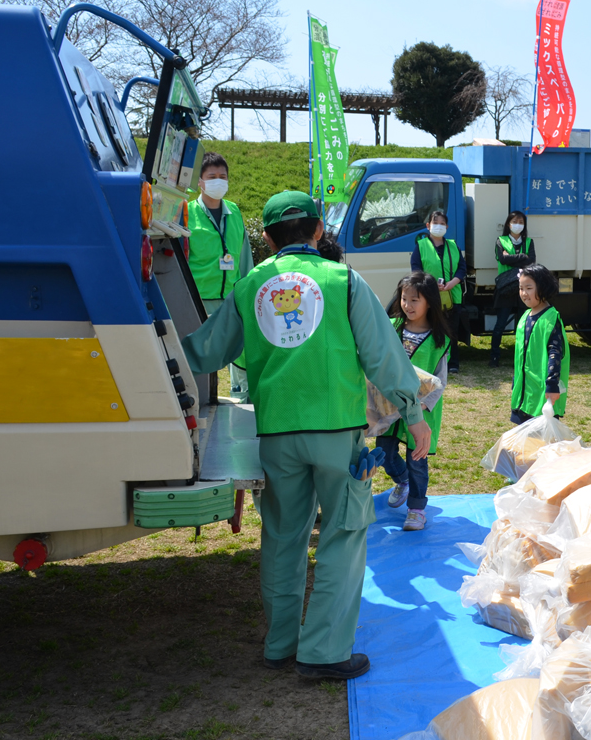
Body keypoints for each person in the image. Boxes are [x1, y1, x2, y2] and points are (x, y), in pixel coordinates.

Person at [180, 191, 429, 680]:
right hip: (337, 432)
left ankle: (280, 646)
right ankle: (324, 653)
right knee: (342, 532)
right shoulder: (345, 281)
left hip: (275, 432)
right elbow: (383, 356)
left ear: (268, 238)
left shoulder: (252, 283)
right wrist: (412, 411)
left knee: (281, 536)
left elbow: (204, 353)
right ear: (319, 231)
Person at [378, 271, 451, 533]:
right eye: (404, 299)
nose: (408, 305)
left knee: (417, 460)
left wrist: (420, 406)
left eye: (415, 300)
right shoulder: (391, 327)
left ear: (430, 302)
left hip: (421, 413)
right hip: (389, 408)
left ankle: (417, 509)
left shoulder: (440, 339)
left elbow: (440, 381)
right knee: (383, 452)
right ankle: (402, 480)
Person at [184, 151, 254, 401]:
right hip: (197, 301)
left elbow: (244, 257)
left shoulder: (234, 212)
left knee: (241, 354)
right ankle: (199, 400)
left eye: (222, 176)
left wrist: (248, 292)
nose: (218, 181)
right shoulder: (186, 213)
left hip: (232, 298)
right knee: (201, 357)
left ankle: (244, 398)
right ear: (200, 182)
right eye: (211, 176)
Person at [511, 264, 569, 424]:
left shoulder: (550, 318)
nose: (523, 293)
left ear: (543, 288)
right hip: (524, 393)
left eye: (528, 288)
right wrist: (516, 381)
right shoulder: (524, 317)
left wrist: (552, 385)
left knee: (540, 443)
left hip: (542, 394)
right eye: (521, 288)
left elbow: (555, 353)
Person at [411, 211, 466, 373]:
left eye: (442, 224)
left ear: (447, 227)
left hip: (452, 296)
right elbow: (416, 270)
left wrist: (452, 283)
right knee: (431, 330)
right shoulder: (421, 246)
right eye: (435, 223)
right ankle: (433, 362)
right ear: (428, 226)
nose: (439, 226)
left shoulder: (453, 245)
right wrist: (431, 284)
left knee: (452, 331)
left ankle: (453, 363)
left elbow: (462, 268)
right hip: (429, 296)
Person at [490, 211, 537, 368]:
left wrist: (512, 258)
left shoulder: (529, 242)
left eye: (521, 222)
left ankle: (523, 358)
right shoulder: (500, 240)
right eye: (515, 221)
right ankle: (494, 357)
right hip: (506, 288)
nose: (518, 224)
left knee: (524, 325)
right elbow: (502, 258)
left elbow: (531, 262)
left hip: (524, 289)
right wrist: (522, 258)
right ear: (508, 224)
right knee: (500, 325)